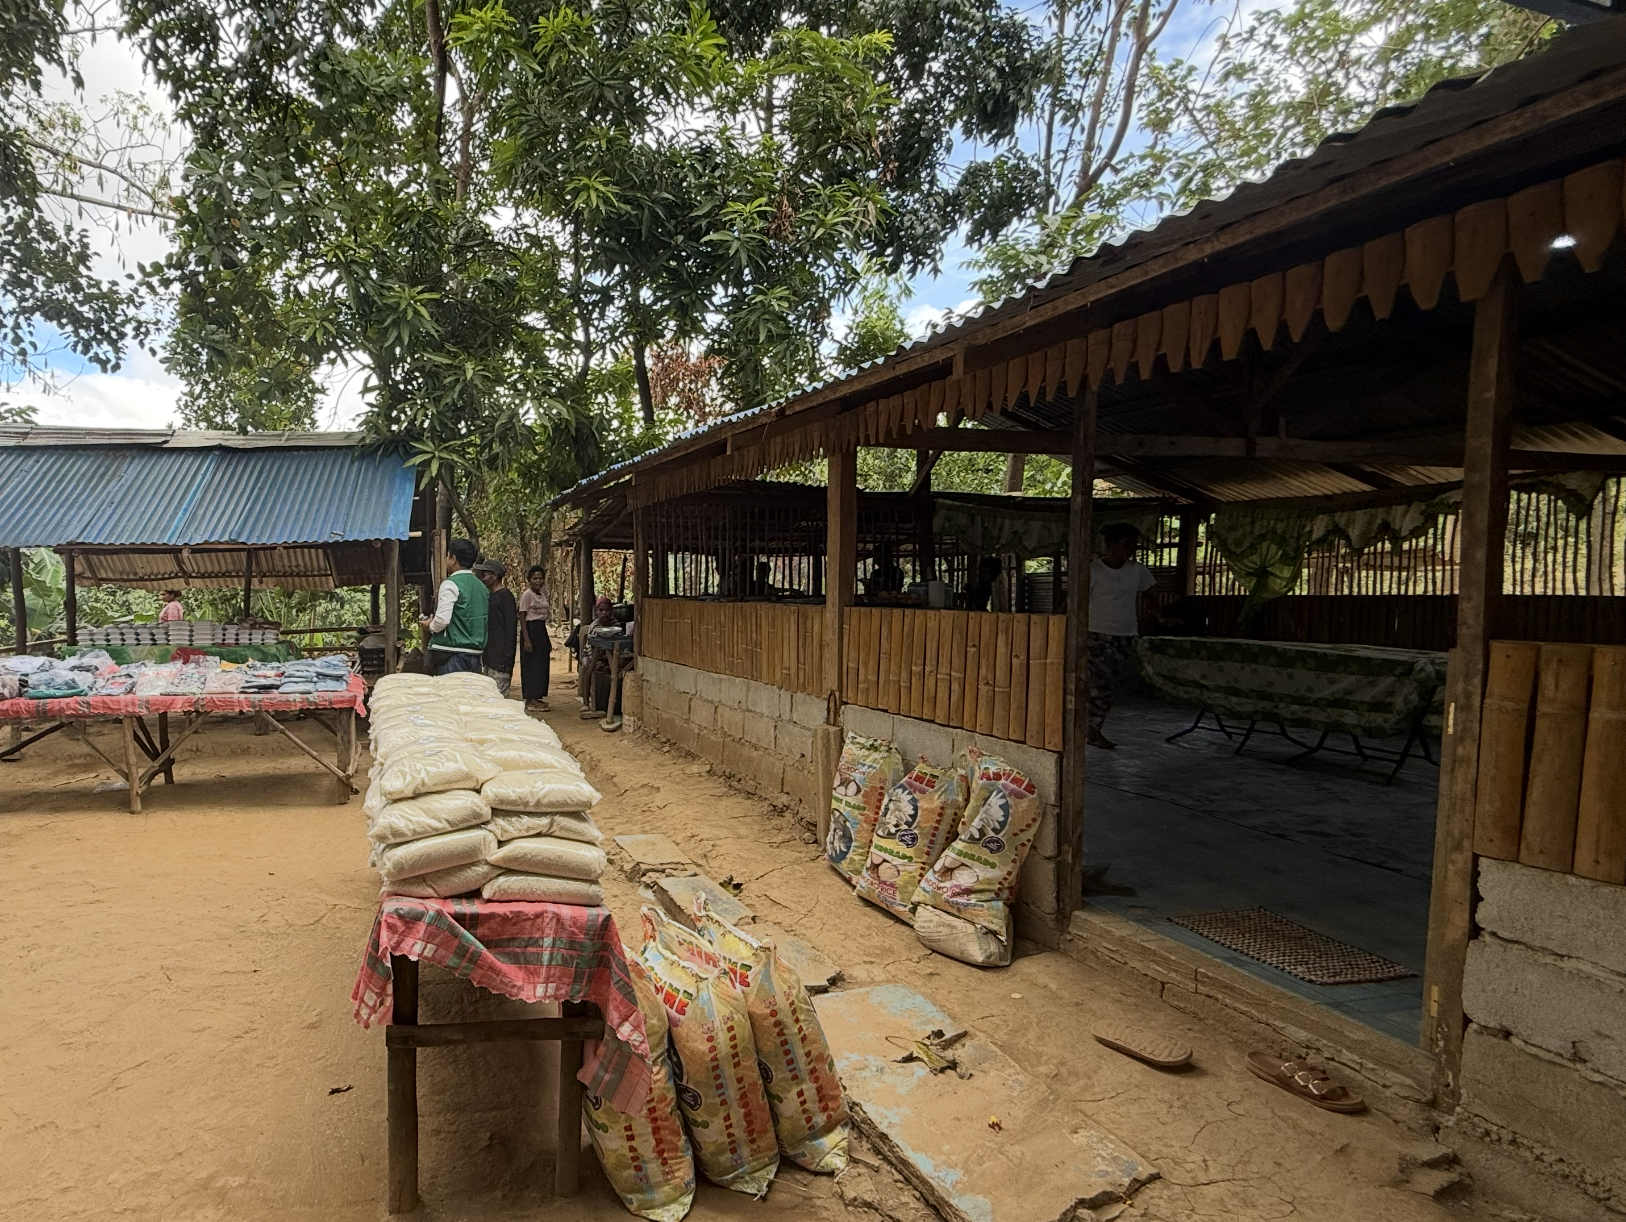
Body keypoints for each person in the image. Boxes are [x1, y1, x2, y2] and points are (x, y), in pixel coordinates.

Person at [1087, 523, 1158, 749]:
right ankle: (1091, 730)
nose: (1130, 550)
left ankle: (1091, 728)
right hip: (1096, 635)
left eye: (1133, 545)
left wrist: (1161, 616)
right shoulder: (1094, 571)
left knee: (1109, 686)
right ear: (1110, 545)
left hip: (1125, 635)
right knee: (1099, 686)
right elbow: (1073, 600)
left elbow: (1149, 594)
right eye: (1126, 544)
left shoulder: (1138, 571)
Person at [419, 537, 489, 675]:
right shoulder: (482, 587)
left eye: (447, 555)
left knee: (451, 688)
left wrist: (430, 626)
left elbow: (442, 620)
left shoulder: (450, 584)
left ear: (453, 559)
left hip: (452, 653)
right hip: (475, 653)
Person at [473, 559, 517, 697]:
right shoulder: (490, 596)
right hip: (490, 658)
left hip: (500, 660)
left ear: (495, 576)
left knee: (498, 697)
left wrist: (507, 658)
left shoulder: (505, 597)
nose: (482, 579)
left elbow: (511, 629)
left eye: (484, 575)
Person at [519, 564, 551, 711]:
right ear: (529, 580)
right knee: (531, 665)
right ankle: (530, 698)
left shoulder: (542, 596)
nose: (538, 581)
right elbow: (522, 616)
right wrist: (526, 639)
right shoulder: (527, 595)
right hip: (530, 629)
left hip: (541, 629)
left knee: (541, 664)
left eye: (540, 578)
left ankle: (538, 696)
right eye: (535, 578)